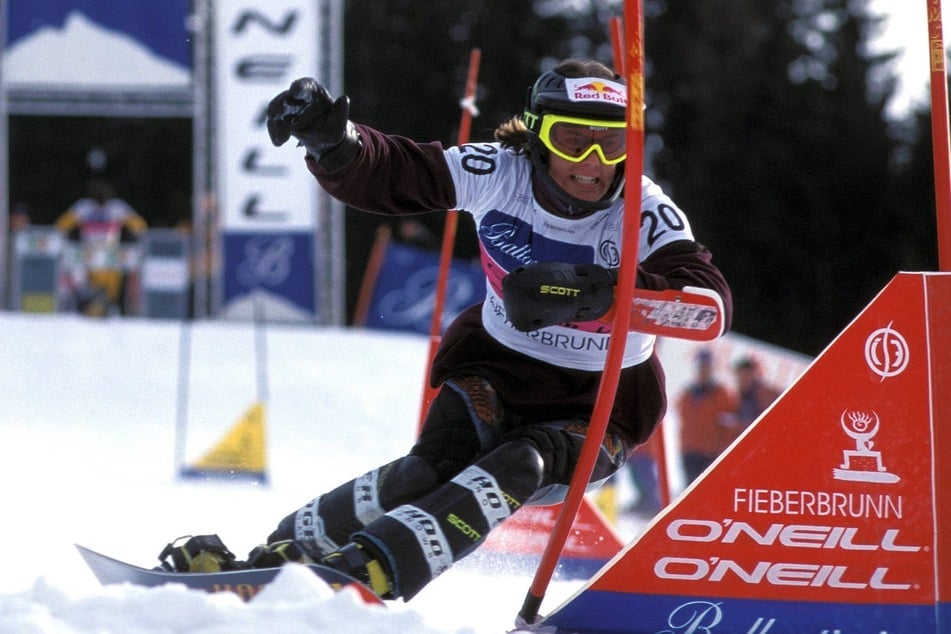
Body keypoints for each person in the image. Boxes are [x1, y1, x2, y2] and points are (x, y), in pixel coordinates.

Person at [164, 59, 732, 600]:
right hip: (498, 369)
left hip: (594, 403)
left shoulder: (645, 212)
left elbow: (707, 307)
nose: (591, 163)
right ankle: (274, 560)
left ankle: (377, 572)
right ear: (537, 137)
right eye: (570, 140)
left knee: (520, 465)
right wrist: (335, 145)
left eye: (612, 145)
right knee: (423, 472)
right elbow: (399, 172)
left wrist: (605, 293)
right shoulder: (500, 171)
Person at [55, 179, 147, 316]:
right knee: (76, 273)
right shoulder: (84, 207)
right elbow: (61, 226)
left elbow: (140, 226)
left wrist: (132, 236)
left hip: (110, 257)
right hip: (89, 254)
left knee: (110, 291)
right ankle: (88, 305)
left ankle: (108, 307)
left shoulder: (117, 207)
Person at [676, 348, 737, 484]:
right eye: (700, 366)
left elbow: (730, 425)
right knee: (689, 490)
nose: (703, 370)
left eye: (706, 366)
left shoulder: (722, 394)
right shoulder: (687, 393)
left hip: (711, 454)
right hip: (689, 452)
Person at [731, 355, 782, 429]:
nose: (743, 377)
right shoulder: (733, 397)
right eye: (740, 374)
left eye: (747, 373)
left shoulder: (767, 395)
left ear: (753, 374)